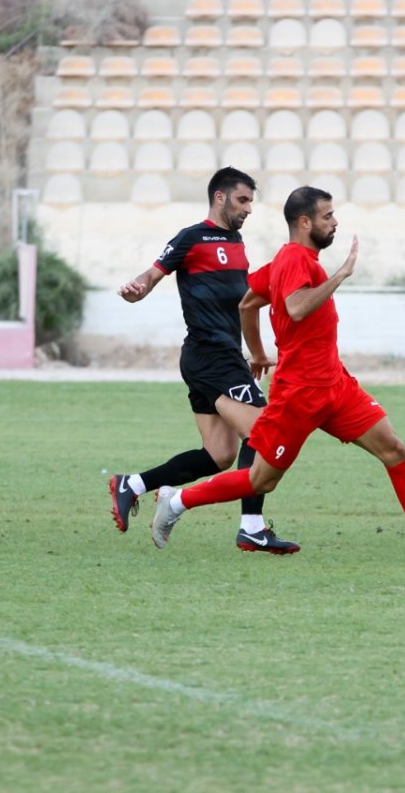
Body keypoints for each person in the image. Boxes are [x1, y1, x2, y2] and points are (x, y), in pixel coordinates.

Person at [149, 186, 405, 567]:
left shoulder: (291, 260)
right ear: (304, 222)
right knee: (262, 480)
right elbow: (294, 308)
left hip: (336, 386)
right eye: (328, 216)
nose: (335, 222)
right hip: (299, 394)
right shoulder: (294, 257)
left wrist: (258, 352)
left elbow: (248, 302)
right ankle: (175, 501)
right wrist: (339, 275)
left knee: (394, 449)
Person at [111, 167, 299, 554]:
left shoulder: (237, 241)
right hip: (208, 355)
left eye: (251, 201)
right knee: (265, 431)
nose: (248, 208)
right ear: (220, 197)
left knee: (219, 454)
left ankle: (132, 485)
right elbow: (152, 274)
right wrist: (136, 290)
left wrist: (252, 352)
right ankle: (252, 527)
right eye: (243, 200)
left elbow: (243, 306)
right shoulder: (191, 238)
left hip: (220, 356)